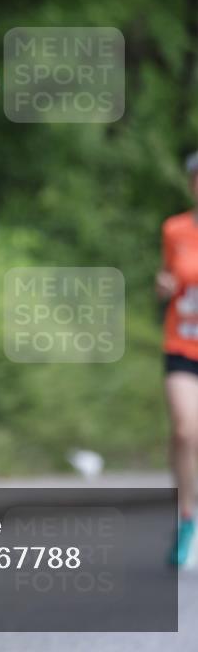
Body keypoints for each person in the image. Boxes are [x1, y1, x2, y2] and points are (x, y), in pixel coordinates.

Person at [155, 150, 198, 568]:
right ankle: (187, 517)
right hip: (182, 344)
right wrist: (164, 286)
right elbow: (169, 278)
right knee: (186, 431)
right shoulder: (176, 229)